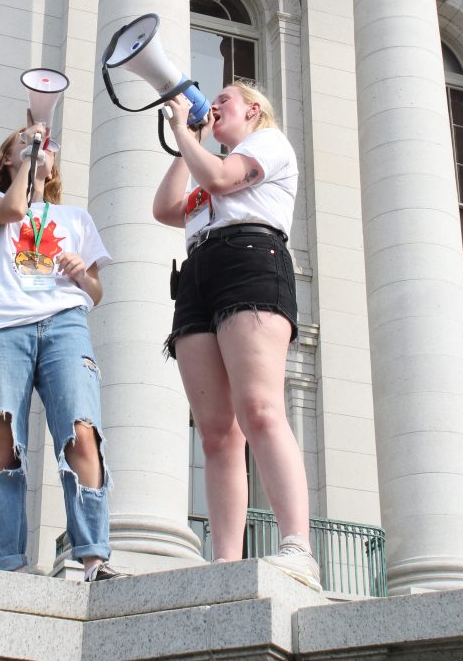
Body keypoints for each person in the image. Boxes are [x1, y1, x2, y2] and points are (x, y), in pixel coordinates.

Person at [153, 80, 321, 591]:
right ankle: (226, 560)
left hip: (251, 260)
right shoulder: (207, 164)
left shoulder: (266, 144)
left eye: (224, 99)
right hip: (200, 271)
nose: (215, 104)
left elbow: (225, 179)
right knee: (216, 432)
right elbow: (164, 209)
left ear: (252, 109)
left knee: (260, 408)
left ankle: (297, 547)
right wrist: (187, 141)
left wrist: (188, 133)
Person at [0, 119, 122, 581]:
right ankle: (10, 563)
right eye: (26, 144)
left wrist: (81, 273)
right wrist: (30, 155)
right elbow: (14, 209)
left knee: (81, 429)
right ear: (9, 159)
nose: (39, 148)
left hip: (64, 325)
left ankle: (94, 556)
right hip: (1, 328)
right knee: (3, 441)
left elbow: (95, 292)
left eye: (45, 145)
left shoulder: (75, 219)